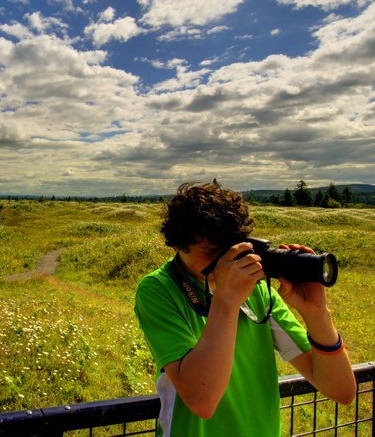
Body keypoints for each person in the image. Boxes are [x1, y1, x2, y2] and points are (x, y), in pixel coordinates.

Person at [134, 182, 355, 436]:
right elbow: (202, 401)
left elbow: (342, 390)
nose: (225, 260)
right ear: (178, 245)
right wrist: (226, 301)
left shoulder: (257, 290)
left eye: (230, 248)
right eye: (210, 251)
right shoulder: (159, 289)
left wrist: (317, 313)